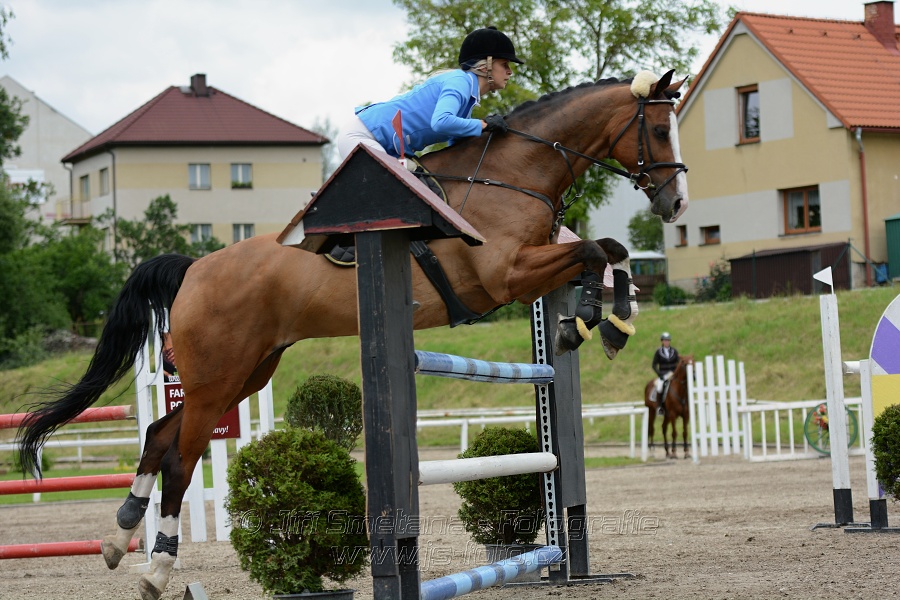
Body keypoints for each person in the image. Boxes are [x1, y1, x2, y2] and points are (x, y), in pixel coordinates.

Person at [336, 26, 523, 164]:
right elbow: (440, 122)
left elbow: (455, 143)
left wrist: (486, 137)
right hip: (364, 136)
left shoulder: (468, 98)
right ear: (486, 65)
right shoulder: (460, 82)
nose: (509, 72)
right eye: (505, 65)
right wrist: (483, 124)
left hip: (387, 147)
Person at [651, 332, 679, 414]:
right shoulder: (658, 352)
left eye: (668, 340)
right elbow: (654, 365)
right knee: (659, 387)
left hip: (673, 374)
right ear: (662, 341)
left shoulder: (674, 351)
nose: (666, 342)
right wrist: (660, 374)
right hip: (663, 374)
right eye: (665, 340)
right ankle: (660, 407)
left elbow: (679, 362)